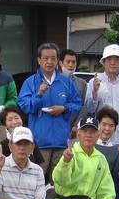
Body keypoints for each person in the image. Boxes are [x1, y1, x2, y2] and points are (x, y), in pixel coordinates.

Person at [18, 42, 82, 179]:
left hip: (61, 141)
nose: (49, 62)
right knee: (36, 179)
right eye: (45, 58)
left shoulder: (66, 82)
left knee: (60, 180)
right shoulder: (30, 82)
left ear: (58, 61)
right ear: (39, 60)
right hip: (39, 142)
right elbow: (24, 106)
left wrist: (64, 108)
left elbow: (77, 103)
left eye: (53, 58)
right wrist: (39, 94)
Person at [52, 116, 116, 199]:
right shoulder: (70, 154)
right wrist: (65, 162)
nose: (88, 135)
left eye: (92, 132)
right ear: (78, 134)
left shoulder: (101, 159)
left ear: (98, 135)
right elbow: (59, 180)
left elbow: (106, 189)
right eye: (84, 131)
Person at [83, 44, 119, 145]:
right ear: (103, 62)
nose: (113, 63)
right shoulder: (95, 81)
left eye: (116, 59)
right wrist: (95, 92)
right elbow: (90, 109)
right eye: (109, 59)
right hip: (101, 138)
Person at [0, 127, 47, 199]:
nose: (22, 148)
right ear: (10, 146)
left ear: (32, 147)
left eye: (26, 144)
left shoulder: (37, 170)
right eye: (18, 143)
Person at [93, 106, 119, 199]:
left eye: (111, 126)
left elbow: (116, 176)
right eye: (104, 124)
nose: (107, 129)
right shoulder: (89, 145)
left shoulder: (117, 148)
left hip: (108, 193)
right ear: (98, 124)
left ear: (115, 128)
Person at [0, 106, 45, 171]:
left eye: (16, 118)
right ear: (5, 125)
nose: (14, 122)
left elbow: (38, 163)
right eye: (10, 120)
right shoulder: (2, 146)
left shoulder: (30, 140)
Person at [60, 48, 88, 122]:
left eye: (73, 62)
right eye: (68, 61)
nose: (71, 65)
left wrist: (76, 125)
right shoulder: (55, 81)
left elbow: (83, 106)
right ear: (60, 63)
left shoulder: (82, 83)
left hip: (75, 127)